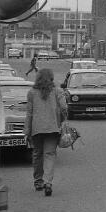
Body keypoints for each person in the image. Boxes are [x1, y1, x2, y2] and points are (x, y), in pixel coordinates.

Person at [23, 68, 67, 196]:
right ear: (51, 78)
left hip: (37, 129)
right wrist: (63, 116)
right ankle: (48, 183)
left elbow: (29, 113)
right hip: (53, 128)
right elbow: (64, 107)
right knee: (50, 154)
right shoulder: (57, 91)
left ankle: (38, 181)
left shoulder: (31, 93)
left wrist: (26, 130)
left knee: (37, 154)